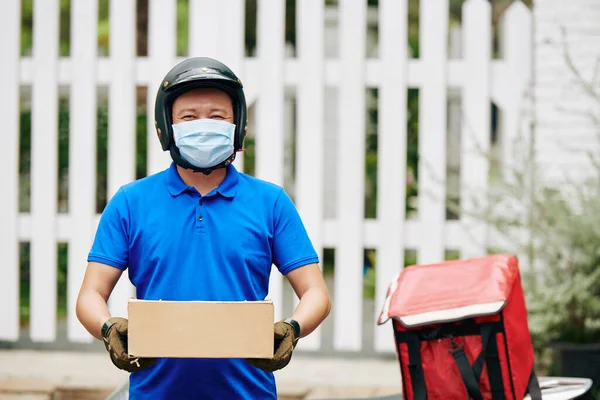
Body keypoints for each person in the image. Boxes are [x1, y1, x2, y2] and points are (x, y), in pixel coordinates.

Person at [75, 57, 331, 399]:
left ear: (237, 125)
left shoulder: (270, 202)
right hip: (155, 392)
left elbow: (316, 292)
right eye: (189, 117)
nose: (204, 125)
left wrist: (292, 328)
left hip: (249, 392)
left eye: (218, 116)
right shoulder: (131, 202)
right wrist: (108, 329)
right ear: (167, 127)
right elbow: (90, 295)